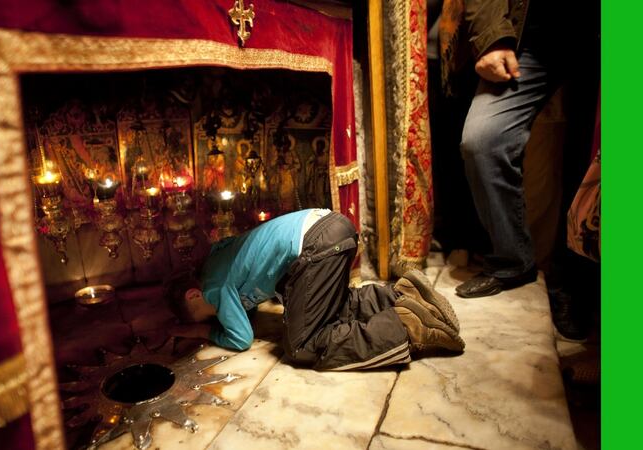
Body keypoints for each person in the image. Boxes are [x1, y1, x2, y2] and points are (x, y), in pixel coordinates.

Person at [169, 209, 464, 371]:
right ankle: (403, 295)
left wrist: (202, 333)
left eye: (206, 315)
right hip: (332, 228)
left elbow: (242, 337)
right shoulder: (217, 261)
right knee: (335, 308)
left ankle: (408, 327)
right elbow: (248, 301)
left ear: (193, 295)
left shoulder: (214, 288)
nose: (215, 316)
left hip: (314, 246)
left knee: (302, 345)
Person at [449, 0, 599, 312]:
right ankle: (512, 260)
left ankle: (573, 283)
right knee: (483, 139)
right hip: (529, 39)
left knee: (590, 153)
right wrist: (493, 39)